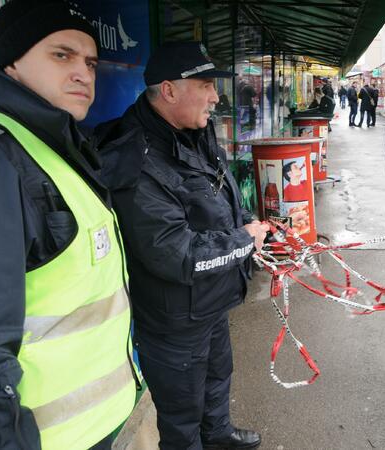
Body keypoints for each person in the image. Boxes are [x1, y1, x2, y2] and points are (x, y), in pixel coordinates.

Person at [0, 1, 138, 449]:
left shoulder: (53, 143)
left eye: (89, 62)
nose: (84, 73)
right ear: (12, 60)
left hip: (94, 424)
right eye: (60, 55)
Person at [96, 41, 268, 450]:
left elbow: (222, 192)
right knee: (180, 417)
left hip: (211, 300)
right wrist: (244, 241)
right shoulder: (133, 157)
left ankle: (219, 435)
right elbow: (178, 254)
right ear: (170, 90)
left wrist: (245, 222)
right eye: (207, 84)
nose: (216, 97)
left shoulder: (194, 129)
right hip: (174, 318)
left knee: (216, 377)